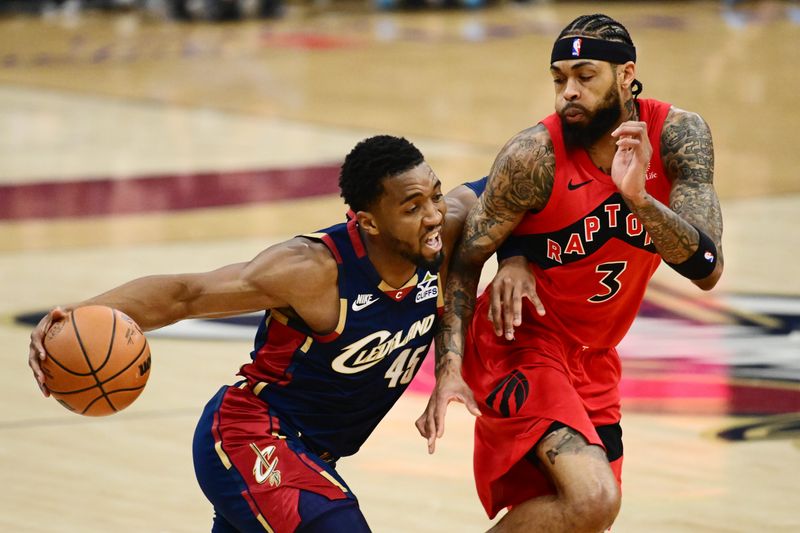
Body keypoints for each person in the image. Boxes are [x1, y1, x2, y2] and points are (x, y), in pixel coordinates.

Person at [27, 135, 517, 532]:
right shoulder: (311, 269)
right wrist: (79, 313)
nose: (433, 215)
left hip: (311, 455)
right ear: (366, 220)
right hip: (250, 435)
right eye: (412, 207)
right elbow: (185, 295)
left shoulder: (447, 227)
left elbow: (523, 172)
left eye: (435, 194)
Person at [416, 13, 724, 533]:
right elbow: (467, 255)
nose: (568, 93)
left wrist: (638, 199)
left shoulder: (678, 135)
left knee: (582, 522)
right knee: (593, 499)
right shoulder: (533, 153)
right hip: (521, 340)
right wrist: (450, 362)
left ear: (627, 74)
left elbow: (706, 268)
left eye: (585, 76)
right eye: (559, 79)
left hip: (596, 357)